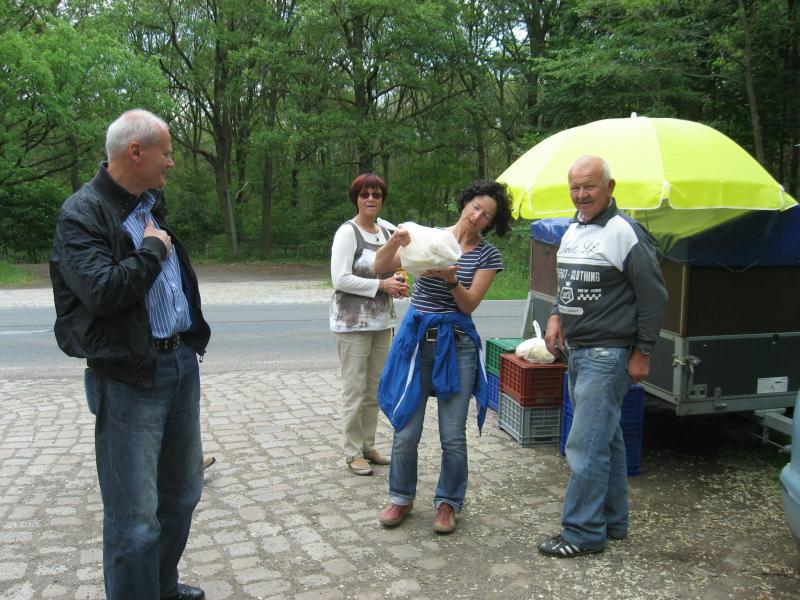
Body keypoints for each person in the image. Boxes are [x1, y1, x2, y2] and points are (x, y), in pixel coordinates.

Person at [50, 109, 211, 600]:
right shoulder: (82, 213)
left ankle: (160, 587)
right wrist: (152, 251)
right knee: (134, 518)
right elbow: (102, 291)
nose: (172, 162)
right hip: (129, 376)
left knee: (182, 495)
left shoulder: (149, 204)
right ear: (135, 152)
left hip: (179, 363)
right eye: (167, 152)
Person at [538, 155, 667, 558]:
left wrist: (643, 352)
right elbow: (566, 281)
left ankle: (582, 532)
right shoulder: (574, 229)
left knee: (584, 446)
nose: (581, 194)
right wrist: (556, 315)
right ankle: (613, 521)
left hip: (607, 354)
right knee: (606, 440)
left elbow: (654, 297)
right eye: (575, 187)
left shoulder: (625, 232)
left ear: (610, 187)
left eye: (589, 186)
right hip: (577, 351)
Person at [373, 179, 512, 534]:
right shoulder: (430, 237)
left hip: (458, 343)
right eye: (476, 207)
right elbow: (379, 266)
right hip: (417, 341)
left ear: (491, 222)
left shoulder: (487, 255)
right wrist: (395, 241)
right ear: (465, 203)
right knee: (406, 428)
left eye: (487, 215)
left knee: (452, 434)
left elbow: (469, 304)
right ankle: (400, 497)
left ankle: (449, 502)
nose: (477, 216)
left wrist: (452, 280)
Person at [330, 173, 409, 476]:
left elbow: (396, 265)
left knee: (375, 389)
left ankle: (368, 445)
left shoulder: (387, 231)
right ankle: (352, 453)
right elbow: (340, 279)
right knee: (355, 389)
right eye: (365, 194)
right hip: (351, 324)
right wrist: (381, 285)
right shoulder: (347, 232)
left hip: (381, 322)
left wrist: (398, 282)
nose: (371, 199)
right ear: (356, 199)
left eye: (376, 194)